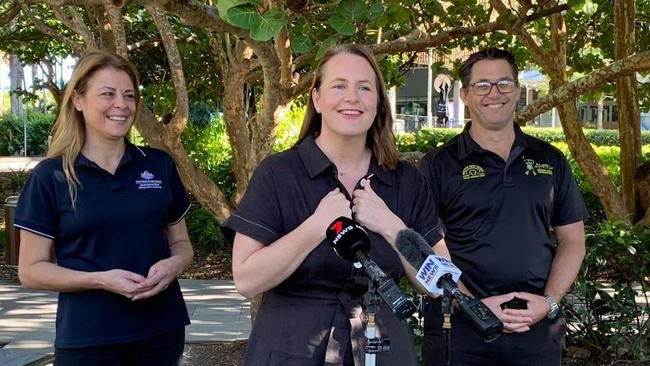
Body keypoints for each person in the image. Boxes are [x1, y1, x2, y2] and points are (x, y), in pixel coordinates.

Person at [224, 44, 448, 366]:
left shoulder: (405, 181)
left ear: (377, 101)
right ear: (316, 98)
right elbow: (247, 280)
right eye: (339, 85)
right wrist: (316, 227)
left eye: (364, 88)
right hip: (291, 349)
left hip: (383, 349)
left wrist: (391, 226)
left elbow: (440, 282)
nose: (352, 97)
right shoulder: (278, 174)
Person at [15, 50, 193, 366]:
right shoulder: (51, 176)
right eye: (107, 94)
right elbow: (30, 271)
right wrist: (101, 279)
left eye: (129, 95)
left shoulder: (157, 165)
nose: (121, 105)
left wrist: (174, 265)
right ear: (79, 100)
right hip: (88, 338)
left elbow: (182, 245)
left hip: (161, 331)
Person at [419, 47, 588, 365]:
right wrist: (472, 306)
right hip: (458, 328)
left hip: (535, 327)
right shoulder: (438, 164)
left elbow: (573, 241)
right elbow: (426, 248)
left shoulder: (551, 160)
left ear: (517, 90)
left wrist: (549, 302)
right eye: (482, 85)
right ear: (465, 94)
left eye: (504, 83)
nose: (494, 93)